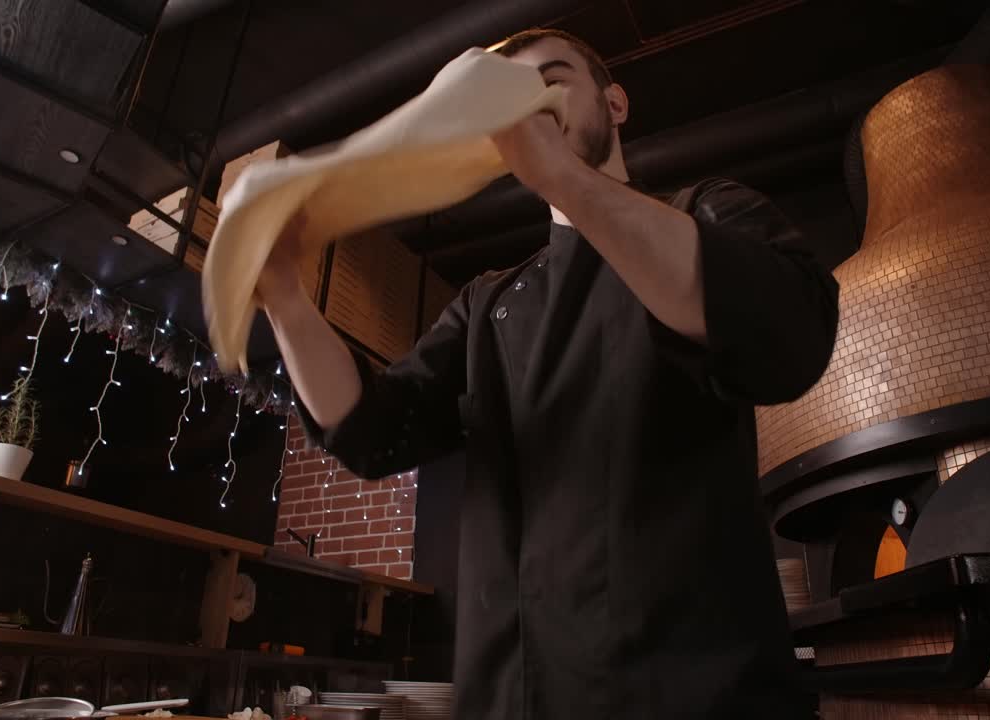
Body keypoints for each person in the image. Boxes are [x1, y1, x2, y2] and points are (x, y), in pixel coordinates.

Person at [256, 28, 839, 720]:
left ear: (615, 104)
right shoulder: (488, 303)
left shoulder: (702, 212)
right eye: (513, 96)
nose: (530, 105)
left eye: (553, 81)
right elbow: (371, 429)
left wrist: (561, 174)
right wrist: (285, 298)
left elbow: (792, 336)